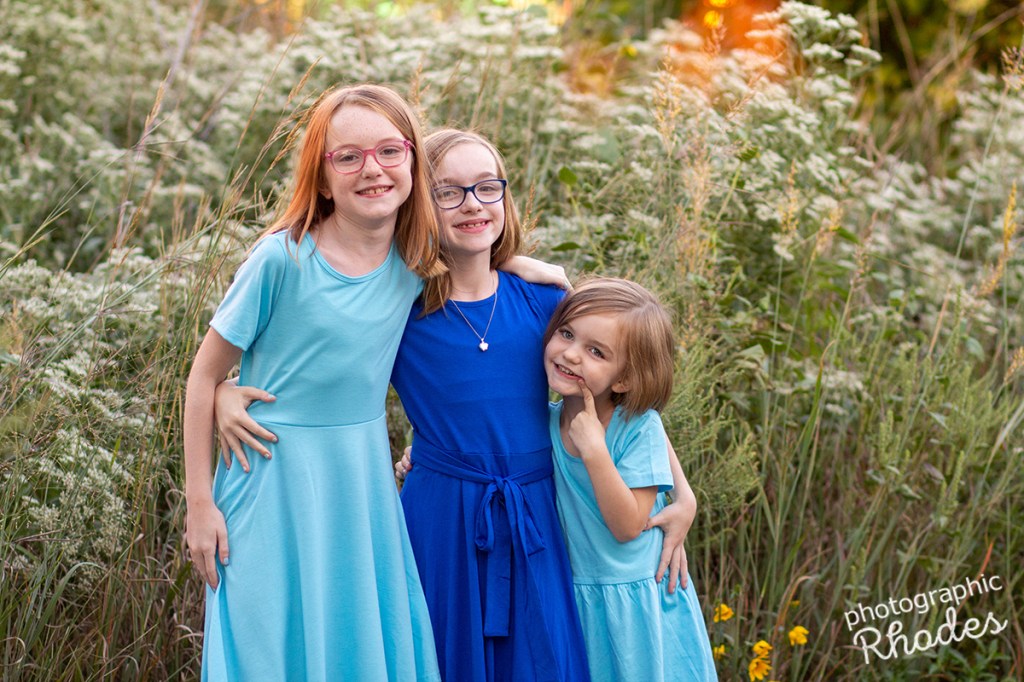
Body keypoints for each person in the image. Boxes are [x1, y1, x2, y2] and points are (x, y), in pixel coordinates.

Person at [214, 129, 694, 681]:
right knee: (438, 658)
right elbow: (317, 366)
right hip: (439, 515)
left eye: (487, 188)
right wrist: (224, 388)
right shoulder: (399, 303)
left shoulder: (547, 302)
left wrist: (683, 495)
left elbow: (623, 399)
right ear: (422, 203)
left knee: (542, 661)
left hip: (535, 513)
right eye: (448, 192)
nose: (472, 204)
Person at [184, 86, 561, 680]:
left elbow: (473, 254)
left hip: (359, 480)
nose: (372, 169)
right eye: (348, 156)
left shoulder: (412, 266)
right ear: (321, 176)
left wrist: (525, 266)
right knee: (270, 640)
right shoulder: (282, 259)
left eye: (389, 151)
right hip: (271, 471)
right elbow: (203, 375)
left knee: (356, 640)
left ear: (412, 162)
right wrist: (200, 501)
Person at [542, 277, 717, 682]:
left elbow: (627, 526)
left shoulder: (637, 427)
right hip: (579, 596)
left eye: (596, 352)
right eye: (566, 333)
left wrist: (595, 451)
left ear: (623, 380)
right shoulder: (545, 420)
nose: (571, 354)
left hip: (637, 601)